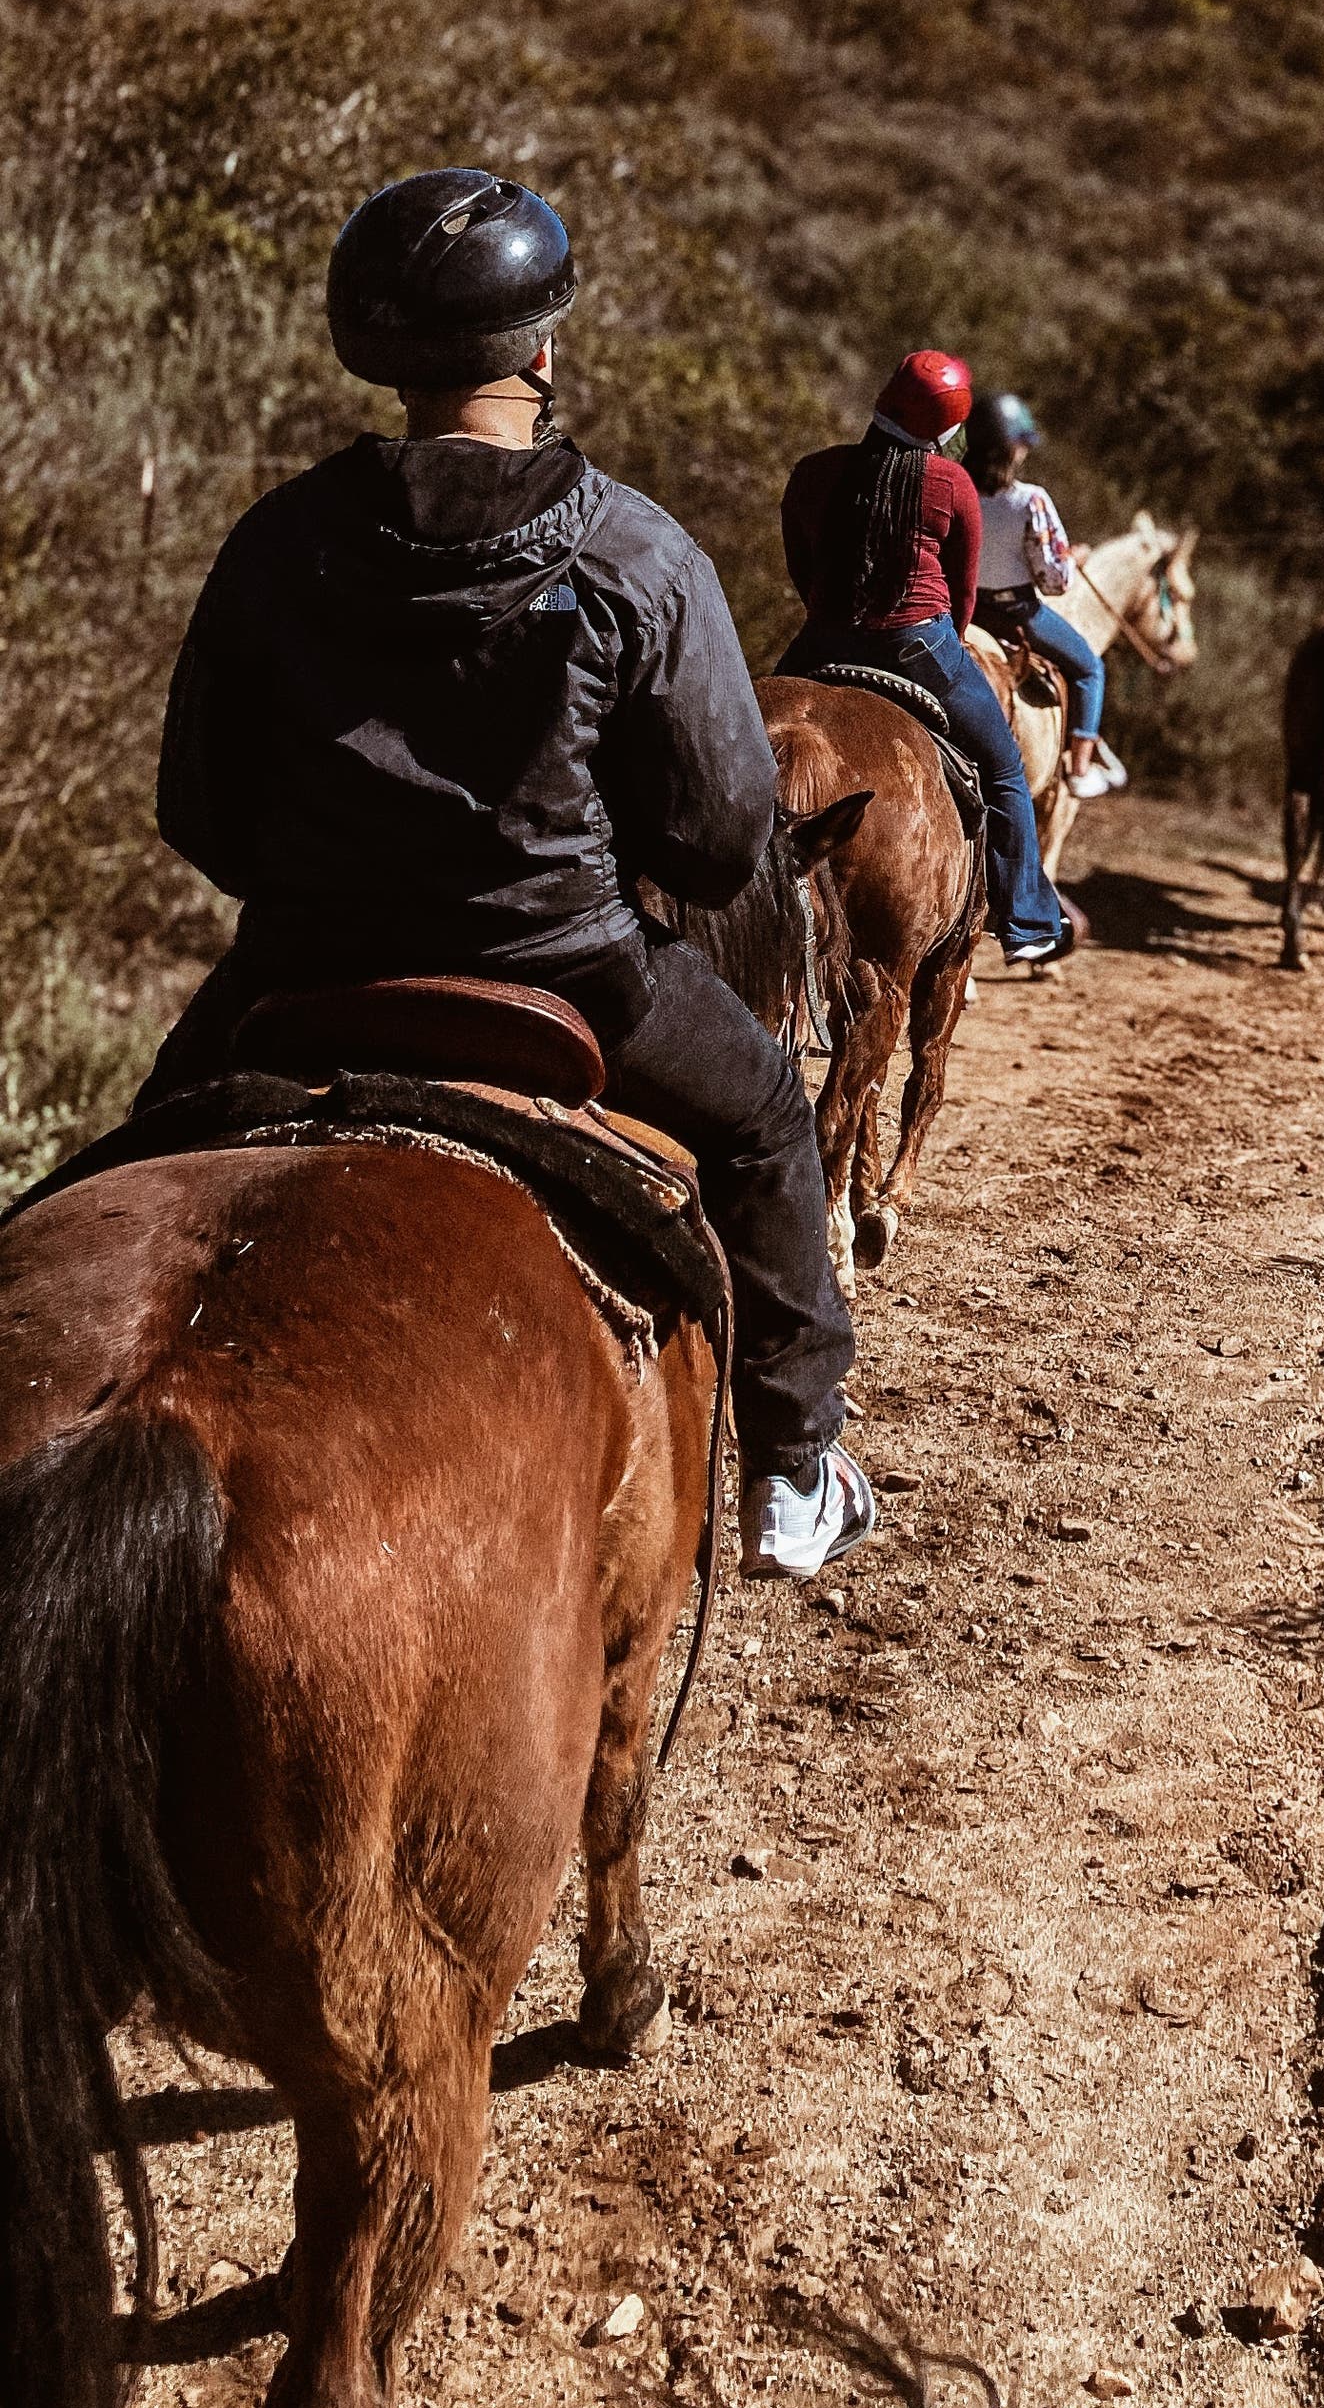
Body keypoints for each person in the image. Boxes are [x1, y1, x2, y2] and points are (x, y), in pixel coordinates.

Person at [142, 167, 873, 1582]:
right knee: (771, 1116)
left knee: (123, 1167)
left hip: (299, 970)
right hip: (578, 975)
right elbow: (725, 844)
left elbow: (200, 809)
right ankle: (793, 1463)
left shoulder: (279, 538)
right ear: (543, 349)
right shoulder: (635, 549)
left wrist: (323, 887)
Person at [778, 356, 1081, 971]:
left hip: (820, 642)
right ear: (951, 428)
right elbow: (963, 595)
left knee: (742, 737)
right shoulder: (950, 484)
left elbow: (801, 567)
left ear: (883, 400)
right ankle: (1026, 919)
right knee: (1003, 773)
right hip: (922, 649)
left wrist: (832, 618)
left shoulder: (813, 472)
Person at [965, 393, 1125, 805]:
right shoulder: (1030, 501)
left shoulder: (952, 487)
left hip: (961, 612)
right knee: (1089, 668)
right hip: (1015, 612)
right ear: (1010, 448)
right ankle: (1078, 769)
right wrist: (1071, 561)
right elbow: (1055, 581)